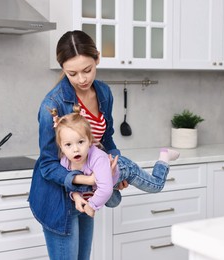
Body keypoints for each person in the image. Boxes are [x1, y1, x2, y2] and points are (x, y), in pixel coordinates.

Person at [28, 30, 175, 260]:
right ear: (62, 69)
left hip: (88, 194)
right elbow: (47, 165)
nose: (82, 79)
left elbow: (107, 140)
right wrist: (86, 179)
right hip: (59, 198)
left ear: (97, 58)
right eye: (72, 73)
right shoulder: (53, 105)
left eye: (87, 70)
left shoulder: (104, 92)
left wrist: (114, 167)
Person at [51, 105, 179, 218]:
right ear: (61, 146)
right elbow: (70, 184)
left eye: (80, 142)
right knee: (113, 202)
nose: (75, 149)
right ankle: (111, 185)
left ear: (89, 141)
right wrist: (77, 197)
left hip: (124, 169)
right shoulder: (65, 162)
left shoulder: (97, 158)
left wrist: (91, 205)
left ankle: (164, 156)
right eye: (68, 144)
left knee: (156, 186)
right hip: (105, 181)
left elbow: (105, 190)